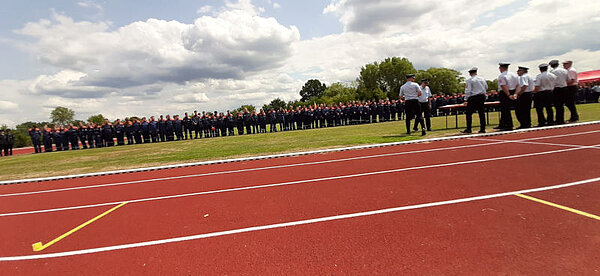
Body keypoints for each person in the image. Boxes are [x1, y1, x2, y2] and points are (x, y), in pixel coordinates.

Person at [462, 67, 488, 133]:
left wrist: (465, 99)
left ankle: (469, 128)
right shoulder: (482, 79)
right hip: (482, 96)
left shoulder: (469, 80)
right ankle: (483, 128)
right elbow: (486, 87)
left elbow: (468, 90)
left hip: (473, 97)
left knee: (468, 113)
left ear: (470, 73)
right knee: (481, 113)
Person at [496, 62, 520, 131]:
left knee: (505, 109)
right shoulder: (514, 75)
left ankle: (509, 125)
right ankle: (502, 124)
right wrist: (516, 93)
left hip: (505, 93)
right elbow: (518, 85)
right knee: (508, 109)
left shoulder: (502, 76)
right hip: (514, 91)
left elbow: (503, 86)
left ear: (501, 68)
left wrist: (508, 94)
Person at [549, 59, 568, 125]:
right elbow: (567, 79)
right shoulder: (564, 71)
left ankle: (558, 119)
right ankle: (561, 119)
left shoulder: (551, 72)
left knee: (557, 105)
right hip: (564, 88)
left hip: (556, 89)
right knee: (561, 105)